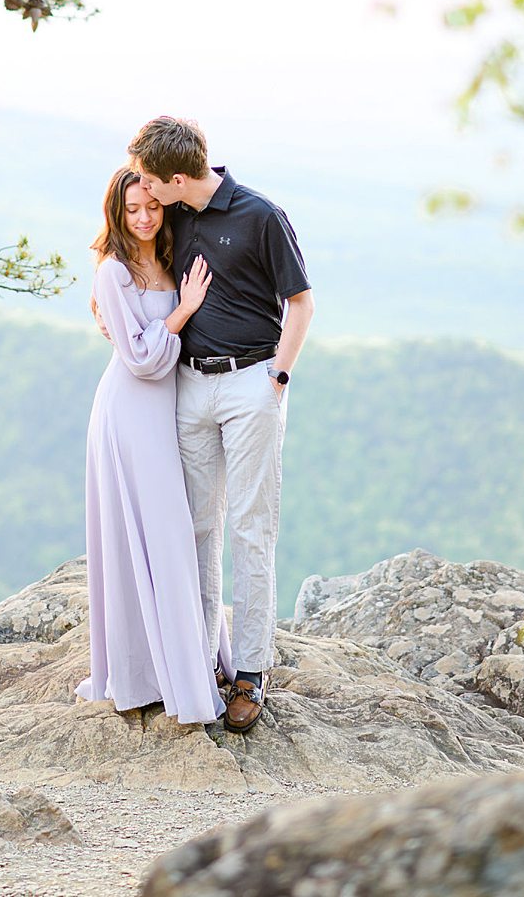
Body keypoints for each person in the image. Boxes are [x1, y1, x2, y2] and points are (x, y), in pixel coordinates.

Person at [128, 115, 314, 734]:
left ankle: (252, 675)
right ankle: (202, 662)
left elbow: (301, 302)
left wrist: (278, 380)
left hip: (251, 384)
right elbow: (126, 250)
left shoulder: (260, 215)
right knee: (199, 528)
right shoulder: (175, 214)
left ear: (179, 178)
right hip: (189, 386)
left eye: (154, 184)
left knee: (251, 529)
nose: (148, 196)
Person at [77, 167, 228, 725]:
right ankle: (152, 678)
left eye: (152, 207)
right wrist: (184, 310)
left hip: (170, 409)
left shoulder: (167, 259)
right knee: (155, 534)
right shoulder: (113, 273)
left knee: (178, 534)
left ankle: (187, 662)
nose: (143, 218)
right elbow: (141, 360)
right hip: (130, 412)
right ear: (115, 213)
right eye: (132, 210)